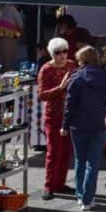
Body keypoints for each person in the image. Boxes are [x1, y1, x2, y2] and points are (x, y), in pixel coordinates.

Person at [61, 45, 106, 211]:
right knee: (93, 163)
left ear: (82, 60)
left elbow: (69, 105)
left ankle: (81, 196)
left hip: (79, 125)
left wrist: (65, 125)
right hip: (100, 124)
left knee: (80, 161)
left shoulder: (76, 78)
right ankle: (88, 198)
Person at [39, 37, 76, 200]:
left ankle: (59, 183)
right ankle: (49, 186)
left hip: (69, 114)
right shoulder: (45, 70)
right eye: (58, 52)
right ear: (52, 54)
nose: (62, 55)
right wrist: (59, 88)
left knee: (66, 151)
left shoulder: (71, 65)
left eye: (64, 51)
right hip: (53, 115)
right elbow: (42, 95)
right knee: (53, 152)